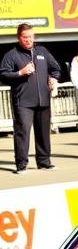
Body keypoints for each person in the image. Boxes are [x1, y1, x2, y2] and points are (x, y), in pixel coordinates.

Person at [1, 23, 60, 174]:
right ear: (19, 37)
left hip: (43, 100)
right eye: (25, 37)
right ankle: (21, 164)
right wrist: (20, 72)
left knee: (43, 132)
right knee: (22, 133)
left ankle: (44, 161)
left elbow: (55, 68)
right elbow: (3, 75)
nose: (29, 40)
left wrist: (54, 78)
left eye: (31, 37)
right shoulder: (12, 54)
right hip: (23, 102)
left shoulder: (42, 51)